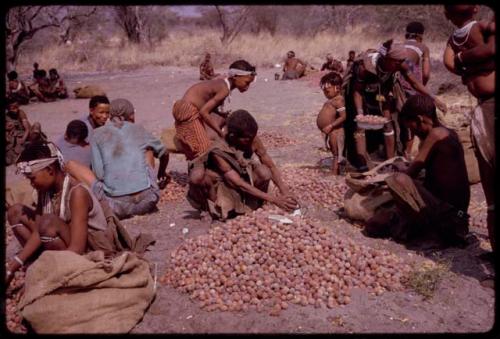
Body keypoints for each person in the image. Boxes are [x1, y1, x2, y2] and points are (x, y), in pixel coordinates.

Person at [365, 95, 470, 249]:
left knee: (396, 180)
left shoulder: (435, 135)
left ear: (420, 119)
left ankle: (433, 235)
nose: (413, 133)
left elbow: (409, 175)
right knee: (376, 223)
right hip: (453, 212)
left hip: (450, 216)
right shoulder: (447, 132)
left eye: (412, 127)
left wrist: (398, 170)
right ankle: (420, 228)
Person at [5, 142, 109, 287]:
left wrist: (45, 273)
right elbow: (38, 230)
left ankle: (52, 268)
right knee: (15, 212)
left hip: (87, 248)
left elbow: (78, 247)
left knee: (49, 224)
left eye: (32, 178)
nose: (31, 184)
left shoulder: (77, 192)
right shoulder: (45, 190)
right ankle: (40, 260)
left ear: (49, 170)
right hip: (63, 240)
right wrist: (13, 265)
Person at [443, 5, 495, 270]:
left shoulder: (484, 26)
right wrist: (471, 62)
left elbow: (490, 50)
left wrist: (466, 60)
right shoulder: (454, 38)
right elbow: (449, 63)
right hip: (482, 108)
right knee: (490, 189)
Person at [344, 39, 447, 171]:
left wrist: (434, 98)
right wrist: (359, 112)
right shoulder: (365, 67)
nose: (401, 64)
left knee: (388, 123)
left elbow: (415, 83)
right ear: (387, 59)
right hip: (361, 93)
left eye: (401, 61)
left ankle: (389, 162)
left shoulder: (400, 64)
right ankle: (362, 163)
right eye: (397, 61)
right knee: (360, 125)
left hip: (382, 91)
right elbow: (357, 91)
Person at [66, 98, 169, 220]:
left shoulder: (97, 134)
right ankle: (144, 186)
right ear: (130, 115)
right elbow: (164, 152)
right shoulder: (139, 129)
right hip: (148, 200)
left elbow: (99, 174)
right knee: (148, 149)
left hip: (116, 206)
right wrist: (161, 173)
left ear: (110, 114)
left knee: (71, 164)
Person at [187, 109, 298, 220]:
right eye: (246, 139)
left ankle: (255, 202)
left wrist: (285, 191)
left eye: (252, 137)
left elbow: (270, 165)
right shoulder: (219, 149)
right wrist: (274, 199)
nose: (251, 142)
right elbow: (237, 183)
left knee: (264, 172)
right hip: (225, 183)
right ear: (232, 136)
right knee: (198, 178)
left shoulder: (251, 137)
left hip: (243, 174)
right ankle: (212, 208)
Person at [172, 59, 256, 186]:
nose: (247, 87)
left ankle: (200, 174)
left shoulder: (223, 82)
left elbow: (208, 106)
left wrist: (221, 116)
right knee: (205, 148)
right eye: (246, 82)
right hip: (188, 109)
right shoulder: (224, 89)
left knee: (195, 144)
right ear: (236, 76)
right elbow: (204, 112)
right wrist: (219, 131)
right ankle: (201, 182)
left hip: (184, 107)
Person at [400, 21, 432, 159]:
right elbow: (425, 74)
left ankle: (397, 152)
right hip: (410, 86)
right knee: (411, 118)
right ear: (420, 35)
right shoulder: (423, 47)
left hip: (394, 86)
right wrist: (421, 87)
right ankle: (407, 153)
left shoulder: (399, 46)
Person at [316, 72, 346, 175]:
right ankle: (335, 169)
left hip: (334, 130)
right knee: (333, 149)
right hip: (330, 131)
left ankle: (335, 170)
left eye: (327, 91)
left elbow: (343, 116)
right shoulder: (331, 100)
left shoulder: (338, 100)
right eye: (324, 91)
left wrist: (330, 126)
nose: (325, 94)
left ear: (337, 88)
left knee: (335, 152)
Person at [5, 100, 46, 166]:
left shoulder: (21, 113)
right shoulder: (7, 117)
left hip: (25, 135)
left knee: (36, 125)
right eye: (13, 108)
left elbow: (27, 129)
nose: (16, 109)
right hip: (15, 138)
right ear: (8, 108)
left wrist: (23, 139)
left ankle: (34, 145)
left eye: (17, 107)